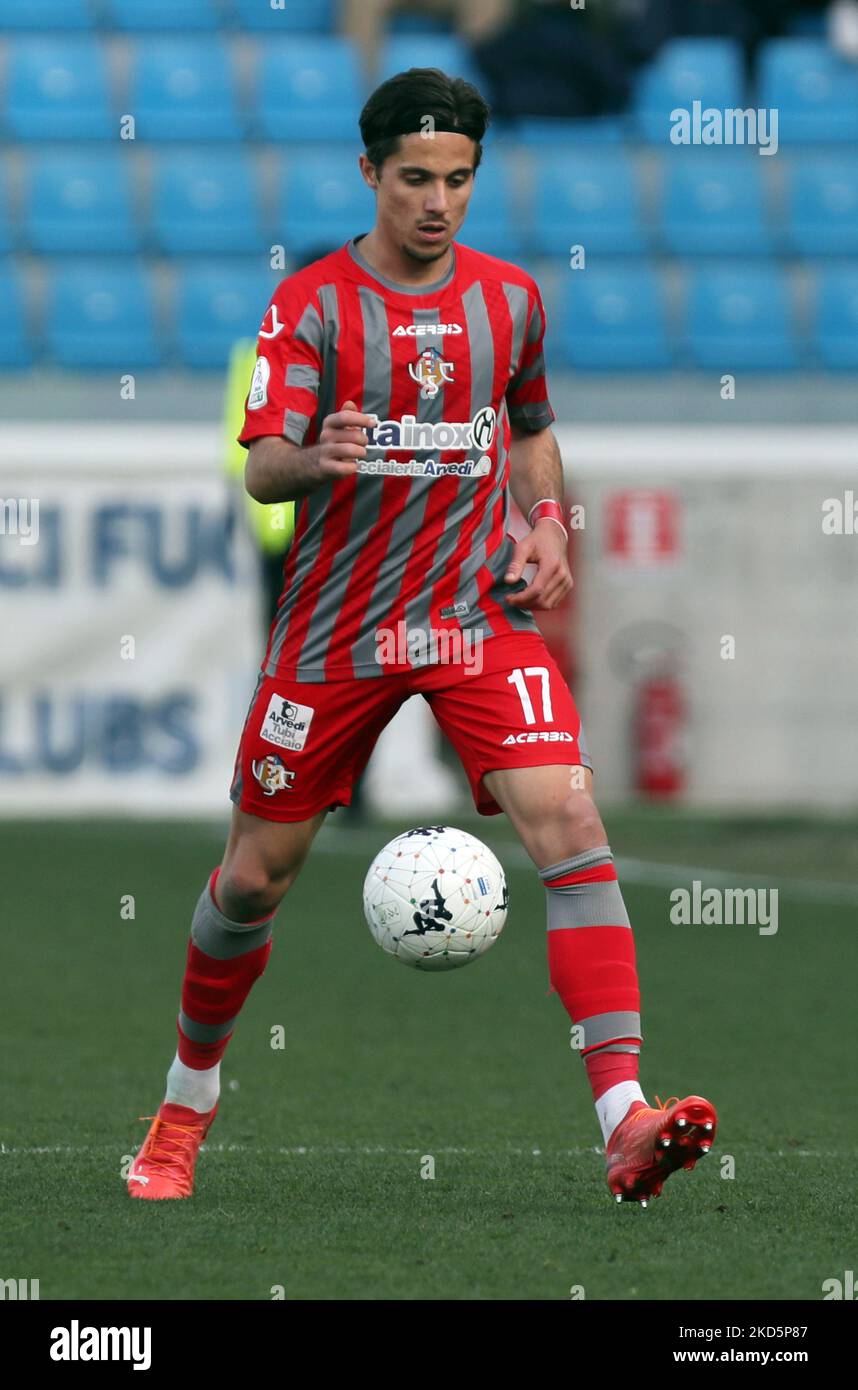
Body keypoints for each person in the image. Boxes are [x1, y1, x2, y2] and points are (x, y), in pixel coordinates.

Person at [127, 67, 716, 1207]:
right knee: (253, 881)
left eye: (456, 180)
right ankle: (184, 1103)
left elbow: (532, 429)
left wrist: (545, 520)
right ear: (370, 175)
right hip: (336, 625)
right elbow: (261, 463)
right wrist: (318, 451)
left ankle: (624, 1118)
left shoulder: (512, 302)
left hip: (471, 614)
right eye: (413, 180)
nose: (436, 201)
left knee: (573, 816)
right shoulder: (309, 305)